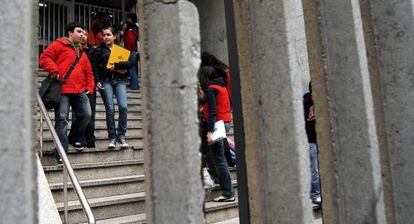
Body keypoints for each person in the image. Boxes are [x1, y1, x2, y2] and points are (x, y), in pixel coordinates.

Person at [39, 22, 94, 163]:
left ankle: (73, 137)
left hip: (80, 91)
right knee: (62, 121)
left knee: (87, 114)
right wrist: (54, 70)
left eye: (83, 32)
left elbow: (89, 72)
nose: (82, 34)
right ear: (70, 33)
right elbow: (44, 58)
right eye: (79, 31)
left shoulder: (82, 52)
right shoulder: (59, 44)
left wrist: (90, 86)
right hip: (62, 90)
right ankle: (61, 153)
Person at [94, 26, 138, 149]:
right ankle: (112, 138)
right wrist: (97, 80)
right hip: (106, 81)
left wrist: (117, 66)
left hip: (119, 81)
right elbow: (95, 67)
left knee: (123, 107)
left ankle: (121, 136)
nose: (106, 37)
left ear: (114, 36)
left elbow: (131, 63)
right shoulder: (99, 51)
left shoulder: (120, 50)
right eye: (104, 35)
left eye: (108, 35)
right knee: (110, 109)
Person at [198, 66, 235, 202]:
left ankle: (228, 192)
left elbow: (213, 111)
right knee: (212, 154)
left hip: (217, 125)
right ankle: (218, 179)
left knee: (219, 158)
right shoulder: (221, 86)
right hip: (224, 122)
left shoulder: (211, 89)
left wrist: (210, 132)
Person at [68, 30, 98, 148]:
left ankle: (89, 138)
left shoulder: (93, 50)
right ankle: (78, 138)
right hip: (77, 86)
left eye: (86, 35)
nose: (84, 36)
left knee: (90, 114)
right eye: (82, 34)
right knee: (77, 114)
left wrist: (94, 84)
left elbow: (94, 69)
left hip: (89, 85)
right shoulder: (73, 50)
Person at [303, 82, 322, 208]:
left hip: (320, 139)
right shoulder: (306, 103)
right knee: (314, 169)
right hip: (311, 140)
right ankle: (315, 194)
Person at [124, 13, 140, 90]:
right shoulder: (135, 27)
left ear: (130, 19)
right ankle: (134, 84)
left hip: (131, 51)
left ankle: (134, 85)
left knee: (132, 68)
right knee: (133, 68)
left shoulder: (130, 29)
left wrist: (128, 52)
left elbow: (131, 41)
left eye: (128, 18)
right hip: (133, 50)